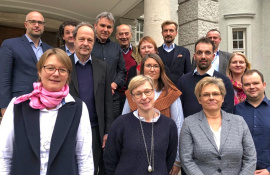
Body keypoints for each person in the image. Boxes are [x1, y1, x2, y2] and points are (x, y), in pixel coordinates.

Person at [0, 48, 94, 174]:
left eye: (62, 70)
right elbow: (4, 155)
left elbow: (84, 157)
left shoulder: (78, 108)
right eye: (50, 68)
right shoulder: (18, 105)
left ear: (68, 76)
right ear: (39, 71)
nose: (56, 74)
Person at [180, 76, 256, 175]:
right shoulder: (189, 123)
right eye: (206, 94)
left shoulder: (239, 122)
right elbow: (186, 159)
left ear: (223, 98)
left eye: (215, 94)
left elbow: (250, 158)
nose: (211, 97)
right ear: (199, 99)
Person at [123, 53, 184, 175]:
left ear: (161, 69)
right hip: (135, 152)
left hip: (163, 153)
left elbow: (178, 125)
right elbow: (123, 121)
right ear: (142, 68)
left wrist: (177, 160)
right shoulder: (132, 93)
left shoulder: (171, 92)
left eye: (156, 66)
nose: (152, 69)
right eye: (148, 65)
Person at [104, 75, 178, 174]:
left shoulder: (169, 125)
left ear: (154, 93)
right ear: (133, 98)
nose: (144, 97)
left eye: (147, 92)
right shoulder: (120, 124)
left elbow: (169, 159)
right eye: (138, 94)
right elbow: (110, 161)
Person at [69, 22, 113, 175]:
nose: (85, 44)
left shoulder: (103, 67)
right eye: (82, 39)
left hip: (95, 130)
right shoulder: (63, 64)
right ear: (73, 40)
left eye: (90, 40)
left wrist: (107, 131)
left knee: (91, 168)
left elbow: (108, 101)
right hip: (68, 127)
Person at [0, 11, 52, 116]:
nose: (37, 25)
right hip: (19, 101)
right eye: (33, 22)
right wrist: (4, 106)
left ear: (44, 26)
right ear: (26, 24)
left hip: (45, 102)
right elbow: (3, 77)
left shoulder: (49, 49)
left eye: (40, 23)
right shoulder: (10, 44)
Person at [177, 37, 234, 118]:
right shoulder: (183, 81)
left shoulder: (224, 81)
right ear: (194, 56)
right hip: (189, 129)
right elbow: (179, 111)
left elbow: (227, 111)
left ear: (213, 56)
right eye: (199, 53)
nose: (203, 56)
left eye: (207, 53)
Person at [234, 69, 270, 174]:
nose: (251, 87)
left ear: (264, 84)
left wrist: (269, 171)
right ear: (242, 87)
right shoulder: (235, 111)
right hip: (242, 171)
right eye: (247, 84)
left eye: (255, 83)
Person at [92, 12, 126, 120]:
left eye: (109, 27)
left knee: (112, 130)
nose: (105, 29)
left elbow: (122, 71)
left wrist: (114, 84)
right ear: (95, 26)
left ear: (112, 30)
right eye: (102, 25)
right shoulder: (89, 46)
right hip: (92, 98)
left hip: (113, 99)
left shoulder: (116, 48)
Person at [116, 24, 142, 111]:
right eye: (121, 34)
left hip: (134, 93)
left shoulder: (138, 52)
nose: (124, 37)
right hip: (116, 94)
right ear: (116, 36)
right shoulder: (113, 52)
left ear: (131, 35)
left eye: (126, 34)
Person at [158, 20, 192, 84]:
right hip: (160, 90)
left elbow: (188, 74)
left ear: (176, 33)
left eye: (171, 30)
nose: (168, 33)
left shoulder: (184, 52)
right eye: (165, 31)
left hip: (179, 90)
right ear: (162, 33)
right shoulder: (156, 52)